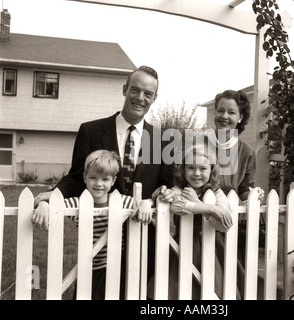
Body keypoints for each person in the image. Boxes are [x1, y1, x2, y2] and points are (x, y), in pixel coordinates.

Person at [33, 65, 174, 298]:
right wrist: (53, 195)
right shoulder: (92, 130)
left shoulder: (162, 140)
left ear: (154, 98)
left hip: (145, 239)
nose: (140, 98)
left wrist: (154, 199)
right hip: (100, 243)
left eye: (148, 94)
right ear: (124, 89)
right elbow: (77, 177)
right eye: (135, 90)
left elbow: (166, 185)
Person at [32, 149, 134, 299]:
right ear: (85, 178)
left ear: (113, 181)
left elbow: (142, 205)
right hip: (89, 267)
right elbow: (55, 204)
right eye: (93, 178)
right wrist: (44, 205)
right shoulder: (77, 204)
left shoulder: (122, 201)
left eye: (105, 179)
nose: (99, 184)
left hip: (118, 267)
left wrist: (144, 204)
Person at [151, 142, 234, 299]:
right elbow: (177, 206)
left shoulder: (216, 193)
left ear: (211, 170)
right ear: (183, 170)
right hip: (183, 245)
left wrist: (198, 203)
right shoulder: (178, 190)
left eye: (203, 168)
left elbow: (224, 224)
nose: (196, 173)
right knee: (181, 288)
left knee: (212, 288)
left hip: (212, 246)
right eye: (191, 168)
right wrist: (211, 209)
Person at [210, 89, 258, 299]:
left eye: (231, 112)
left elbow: (245, 188)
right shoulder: (199, 143)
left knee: (227, 286)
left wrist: (254, 198)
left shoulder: (246, 152)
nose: (224, 117)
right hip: (197, 223)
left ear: (240, 118)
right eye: (220, 110)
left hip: (228, 225)